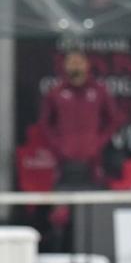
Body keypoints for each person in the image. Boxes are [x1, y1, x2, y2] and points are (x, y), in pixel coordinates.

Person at [39, 49, 119, 187]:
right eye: (71, 62)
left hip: (93, 161)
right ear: (64, 66)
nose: (75, 66)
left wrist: (98, 142)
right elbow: (45, 123)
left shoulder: (99, 91)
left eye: (79, 62)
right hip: (64, 161)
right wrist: (58, 145)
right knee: (64, 203)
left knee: (93, 203)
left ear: (87, 64)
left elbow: (113, 120)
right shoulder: (55, 93)